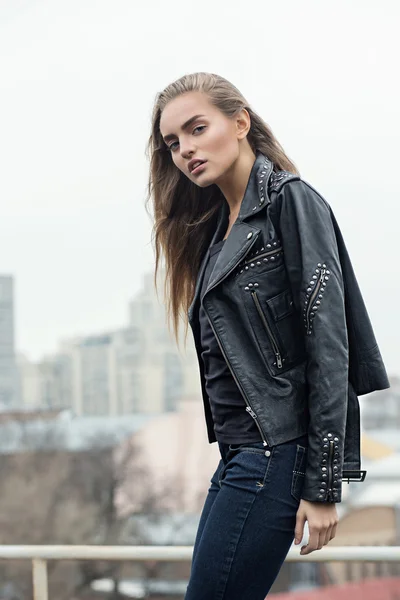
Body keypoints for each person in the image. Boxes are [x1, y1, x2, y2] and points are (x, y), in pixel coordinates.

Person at [145, 72, 390, 599]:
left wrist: (324, 488)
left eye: (196, 128)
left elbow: (330, 350)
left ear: (240, 123)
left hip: (275, 455)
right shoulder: (216, 230)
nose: (185, 149)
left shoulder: (291, 203)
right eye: (172, 143)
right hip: (238, 456)